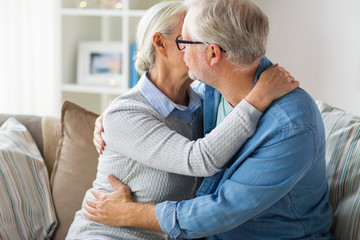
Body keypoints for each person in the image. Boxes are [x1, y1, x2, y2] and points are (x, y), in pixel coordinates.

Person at [85, 0, 336, 239]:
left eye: (185, 41)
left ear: (213, 54)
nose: (182, 51)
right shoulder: (210, 94)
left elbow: (220, 210)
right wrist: (114, 114)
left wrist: (130, 213)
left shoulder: (290, 125)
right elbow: (157, 108)